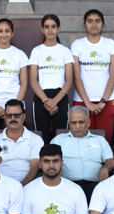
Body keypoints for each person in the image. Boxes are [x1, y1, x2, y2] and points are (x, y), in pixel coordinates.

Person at [71, 9, 114, 143]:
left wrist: (102, 101)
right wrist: (88, 104)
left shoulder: (110, 44)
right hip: (82, 101)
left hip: (107, 100)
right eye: (90, 21)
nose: (94, 24)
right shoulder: (77, 45)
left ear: (102, 24)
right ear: (85, 24)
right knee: (82, 140)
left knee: (105, 140)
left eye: (97, 21)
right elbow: (76, 76)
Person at [50, 106, 113, 201]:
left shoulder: (100, 140)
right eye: (73, 123)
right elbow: (49, 160)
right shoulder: (59, 140)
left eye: (81, 122)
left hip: (94, 185)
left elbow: (110, 160)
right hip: (67, 184)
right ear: (69, 124)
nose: (77, 126)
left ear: (88, 123)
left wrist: (105, 168)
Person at [29, 14, 74, 143]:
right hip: (41, 96)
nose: (50, 30)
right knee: (41, 137)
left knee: (60, 136)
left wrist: (55, 101)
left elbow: (69, 80)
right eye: (46, 27)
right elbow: (33, 80)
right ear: (42, 29)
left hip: (60, 96)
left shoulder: (65, 51)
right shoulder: (36, 51)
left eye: (53, 27)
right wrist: (46, 101)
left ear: (58, 29)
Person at [0, 100, 45, 185]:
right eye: (9, 115)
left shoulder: (36, 140)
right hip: (1, 187)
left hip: (28, 185)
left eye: (17, 115)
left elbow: (35, 168)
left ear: (23, 116)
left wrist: (21, 186)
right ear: (4, 117)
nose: (13, 118)